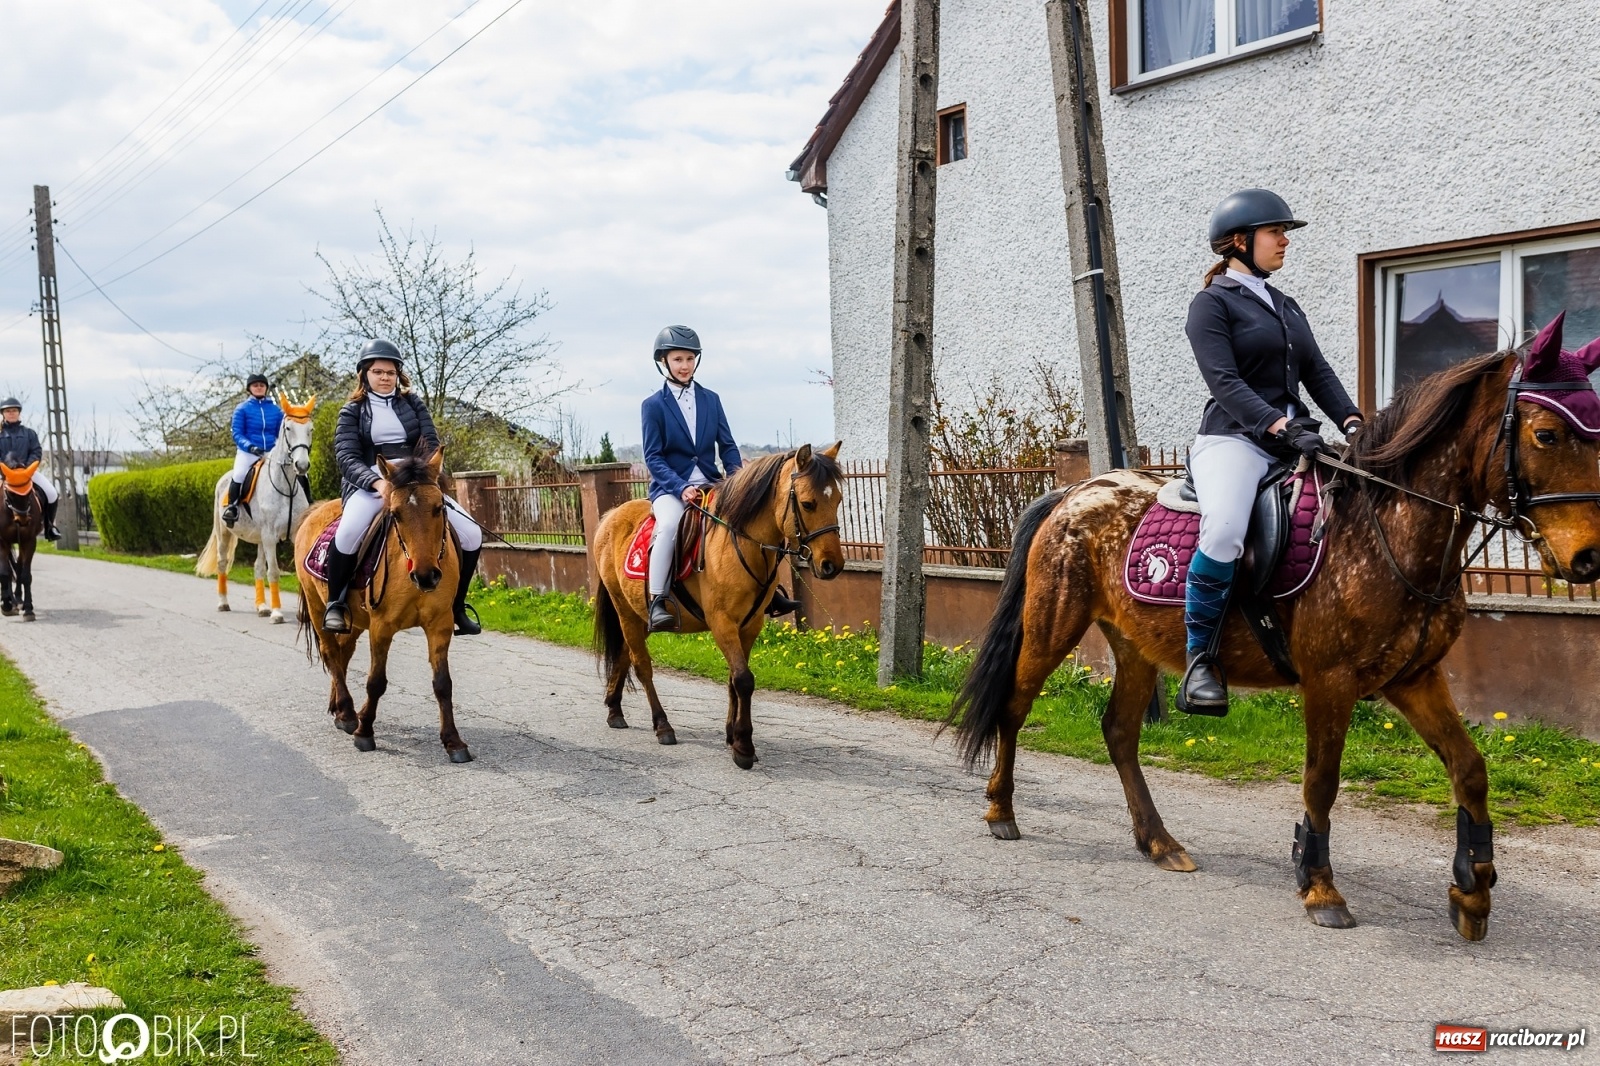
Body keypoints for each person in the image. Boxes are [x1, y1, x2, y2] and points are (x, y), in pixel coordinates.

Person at [1178, 189, 1364, 714]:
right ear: (1240, 241)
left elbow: (1318, 373)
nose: (1285, 241)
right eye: (1275, 233)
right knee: (1226, 528)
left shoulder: (1284, 304)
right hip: (1234, 439)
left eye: (1285, 233)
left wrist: (1352, 423)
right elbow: (1225, 383)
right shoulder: (1211, 304)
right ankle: (1200, 661)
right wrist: (1280, 425)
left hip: (1292, 438)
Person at [322, 339, 484, 636]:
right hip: (373, 478)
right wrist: (376, 481)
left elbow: (431, 442)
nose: (385, 377)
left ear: (398, 375)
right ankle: (336, 603)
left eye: (391, 372)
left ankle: (457, 605)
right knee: (347, 533)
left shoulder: (413, 403)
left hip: (416, 478)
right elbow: (345, 456)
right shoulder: (352, 411)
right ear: (364, 375)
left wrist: (430, 473)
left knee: (472, 533)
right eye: (378, 372)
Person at [642, 325, 779, 632]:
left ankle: (769, 593)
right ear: (664, 362)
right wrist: (680, 488)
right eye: (678, 359)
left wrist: (738, 482)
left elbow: (728, 447)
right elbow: (653, 457)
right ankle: (657, 601)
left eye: (690, 358)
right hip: (670, 489)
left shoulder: (711, 399)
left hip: (712, 483)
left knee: (756, 520)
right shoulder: (652, 406)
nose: (685, 365)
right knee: (667, 528)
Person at [223, 374, 284, 528]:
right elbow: (237, 433)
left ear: (266, 388)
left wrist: (278, 447)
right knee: (239, 474)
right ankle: (232, 507)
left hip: (271, 452)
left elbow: (281, 432)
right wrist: (250, 447)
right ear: (249, 388)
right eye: (255, 385)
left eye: (261, 385)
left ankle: (307, 501)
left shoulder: (276, 410)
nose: (258, 387)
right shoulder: (242, 409)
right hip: (248, 452)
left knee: (294, 471)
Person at [0, 398, 61, 540]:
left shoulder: (29, 433)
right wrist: (6, 471)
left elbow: (36, 451)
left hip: (27, 474)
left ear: (19, 413)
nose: (11, 413)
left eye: (14, 411)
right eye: (8, 411)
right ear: (3, 413)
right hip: (4, 474)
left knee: (52, 493)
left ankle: (49, 527)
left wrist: (27, 469)